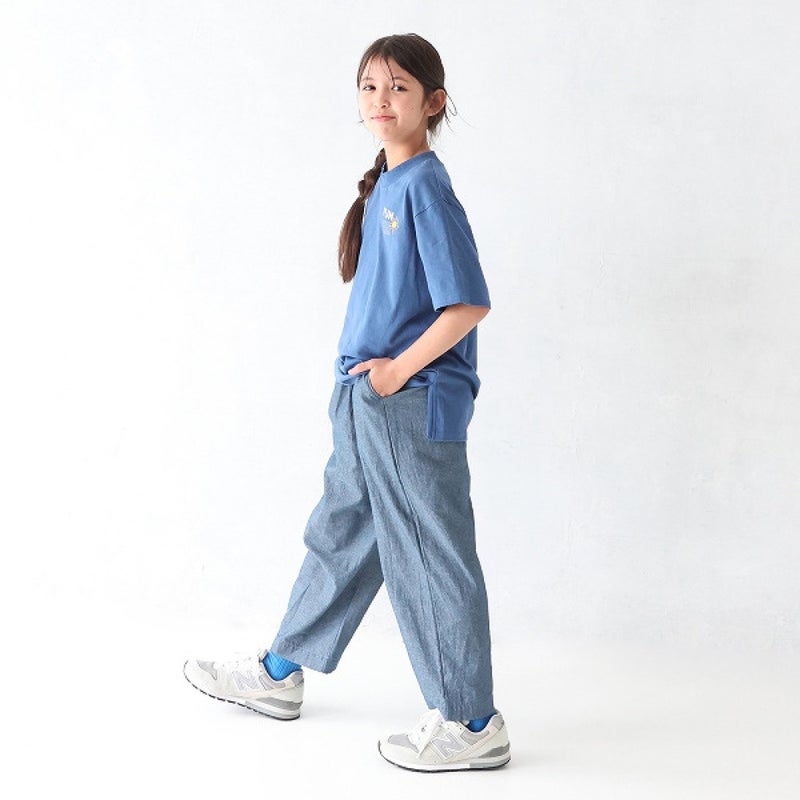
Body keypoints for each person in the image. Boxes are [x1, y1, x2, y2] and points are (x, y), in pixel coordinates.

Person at [183, 32, 511, 773]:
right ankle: (279, 672)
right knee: (342, 534)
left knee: (429, 553)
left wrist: (394, 375)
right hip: (368, 398)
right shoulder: (387, 185)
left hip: (410, 401)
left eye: (398, 87)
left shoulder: (425, 186)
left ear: (434, 102)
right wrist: (367, 384)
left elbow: (467, 306)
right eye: (369, 87)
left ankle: (471, 721)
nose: (380, 100)